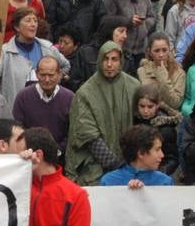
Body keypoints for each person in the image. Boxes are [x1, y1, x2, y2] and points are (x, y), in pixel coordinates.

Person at [67, 41, 141, 185]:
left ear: (121, 62)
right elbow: (87, 134)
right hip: (94, 162)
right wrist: (114, 163)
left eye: (114, 59)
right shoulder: (85, 92)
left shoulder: (134, 86)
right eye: (105, 59)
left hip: (131, 159)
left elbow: (143, 123)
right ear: (99, 61)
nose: (109, 64)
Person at [103, 0, 158, 69]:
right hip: (121, 49)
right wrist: (128, 22)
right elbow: (106, 22)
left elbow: (151, 16)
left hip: (141, 50)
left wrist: (144, 26)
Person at [12, 55, 72, 149]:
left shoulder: (70, 98)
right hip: (30, 155)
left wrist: (57, 150)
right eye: (43, 75)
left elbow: (73, 132)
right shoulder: (23, 97)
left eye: (51, 75)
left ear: (59, 74)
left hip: (62, 156)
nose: (47, 80)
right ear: (36, 73)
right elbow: (18, 130)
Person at [137, 33, 185, 117]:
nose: (161, 55)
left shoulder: (179, 73)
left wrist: (163, 78)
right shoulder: (142, 71)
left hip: (169, 118)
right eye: (157, 51)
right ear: (150, 52)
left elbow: (175, 103)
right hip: (145, 115)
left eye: (164, 50)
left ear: (169, 50)